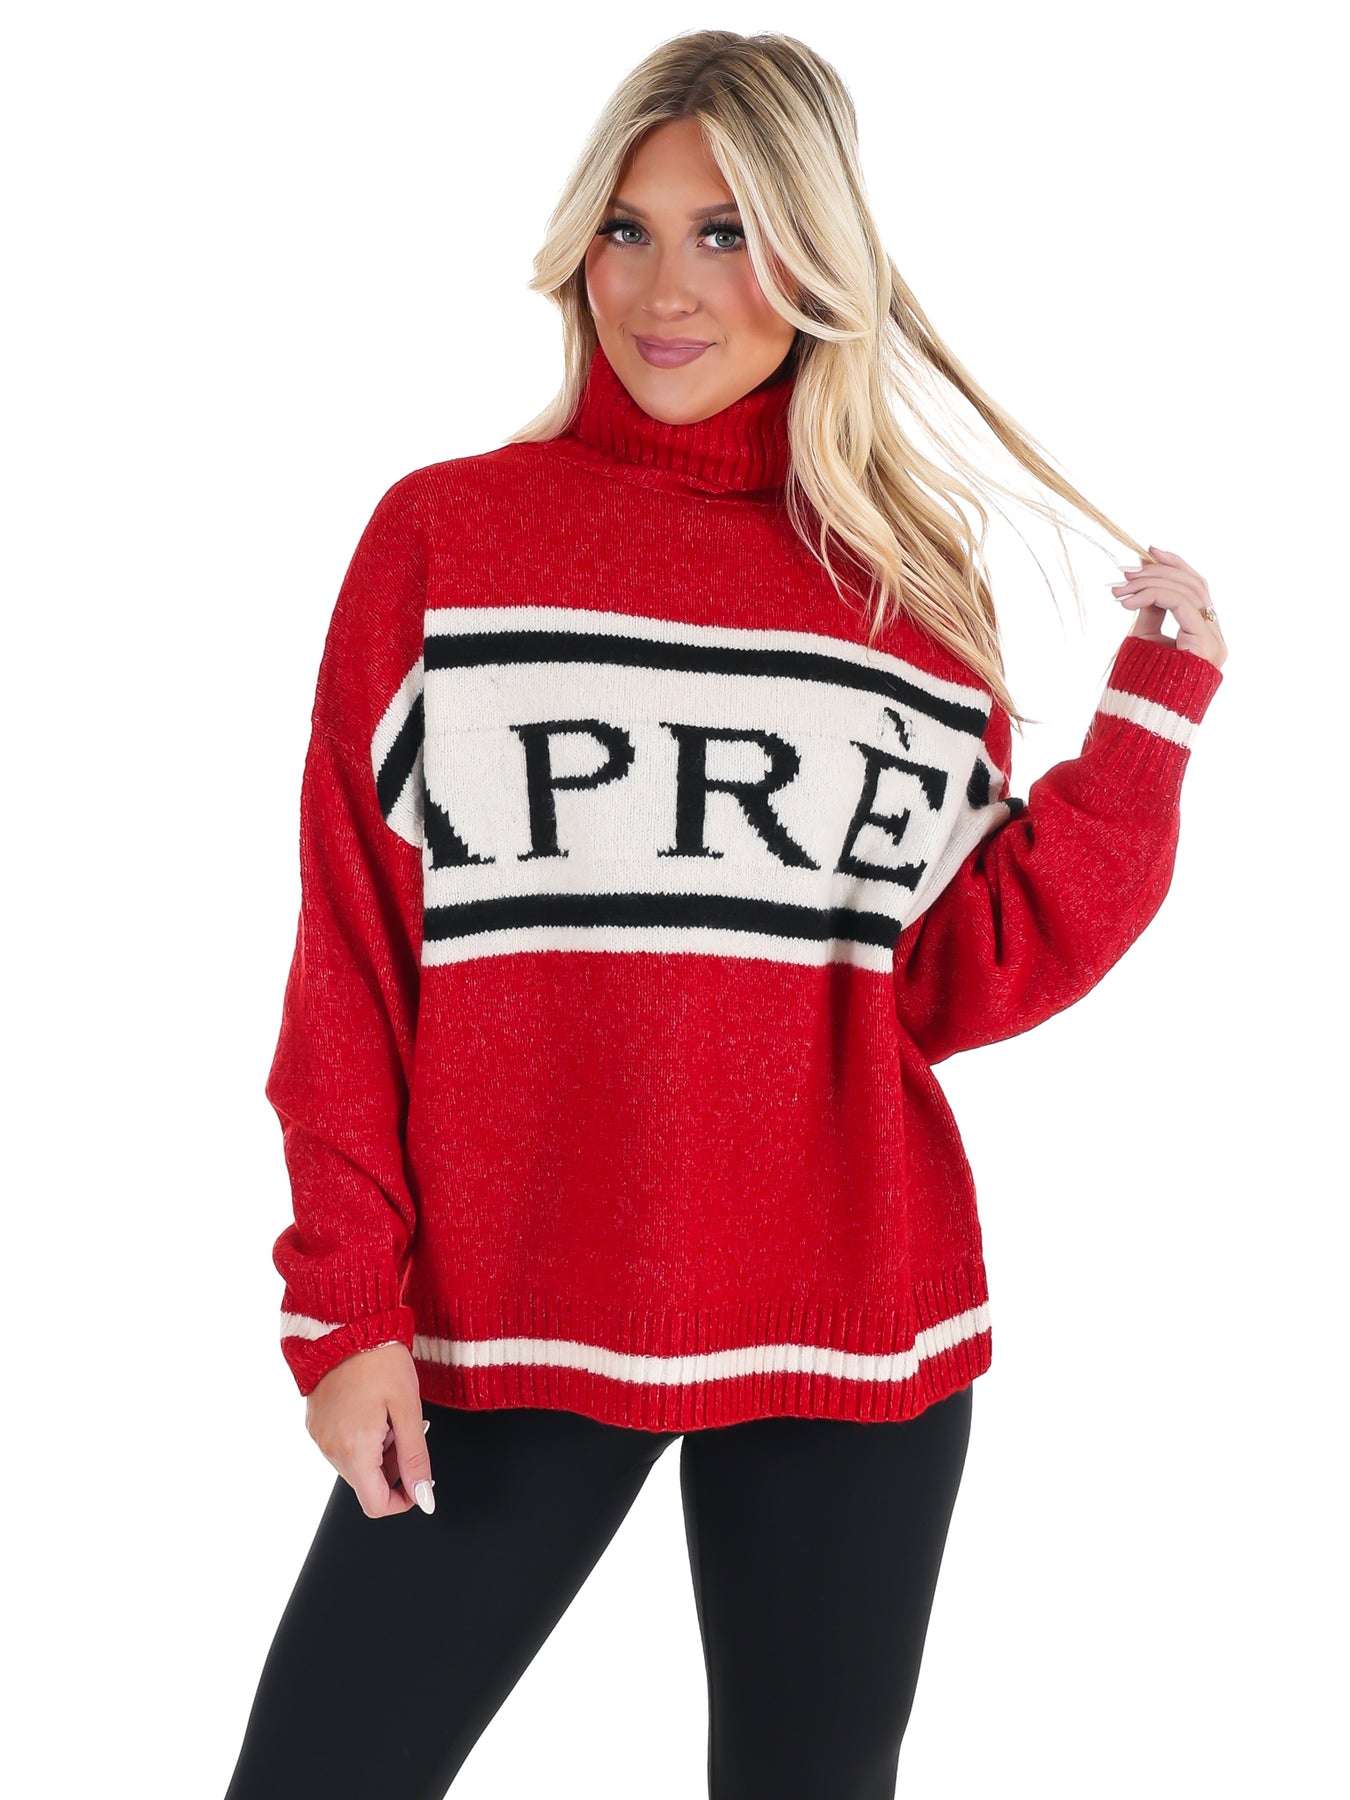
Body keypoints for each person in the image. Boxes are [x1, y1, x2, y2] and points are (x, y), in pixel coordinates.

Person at [224, 29, 1227, 1800]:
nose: (663, 290)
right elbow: (354, 955)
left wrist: (1143, 732)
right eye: (627, 230)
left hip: (849, 1306)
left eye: (727, 234)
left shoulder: (905, 589)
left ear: (819, 262)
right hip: (507, 1308)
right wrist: (347, 1304)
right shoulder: (447, 540)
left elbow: (948, 976)